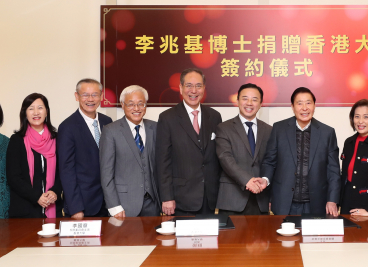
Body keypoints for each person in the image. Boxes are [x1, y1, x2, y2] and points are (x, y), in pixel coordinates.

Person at [261, 87, 340, 216]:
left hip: (316, 203)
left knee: (313, 236)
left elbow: (333, 170)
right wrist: (265, 182)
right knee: (283, 236)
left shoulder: (327, 133)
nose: (304, 108)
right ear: (292, 106)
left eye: (308, 103)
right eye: (299, 103)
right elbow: (270, 162)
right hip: (284, 201)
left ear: (314, 106)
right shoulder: (279, 129)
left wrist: (332, 199)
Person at [156, 68, 223, 216]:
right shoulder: (167, 118)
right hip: (181, 199)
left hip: (209, 197)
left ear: (204, 89)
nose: (194, 90)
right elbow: (162, 162)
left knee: (209, 238)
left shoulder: (214, 116)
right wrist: (167, 197)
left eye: (198, 86)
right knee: (182, 239)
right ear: (180, 88)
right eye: (189, 85)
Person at [100, 85, 160, 217]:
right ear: (122, 105)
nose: (137, 108)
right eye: (131, 104)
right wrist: (114, 206)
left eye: (140, 104)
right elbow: (106, 173)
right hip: (123, 205)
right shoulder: (111, 131)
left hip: (153, 204)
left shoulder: (155, 127)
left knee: (153, 238)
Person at [58, 79, 113, 219]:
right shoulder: (67, 127)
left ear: (101, 96)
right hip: (83, 205)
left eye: (95, 94)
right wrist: (75, 208)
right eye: (85, 95)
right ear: (76, 96)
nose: (90, 99)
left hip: (108, 204)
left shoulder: (107, 122)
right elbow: (66, 170)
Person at [215, 84, 273, 215]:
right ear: (238, 101)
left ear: (260, 103)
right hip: (232, 200)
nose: (249, 103)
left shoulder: (269, 130)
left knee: (262, 236)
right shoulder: (224, 128)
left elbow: (271, 161)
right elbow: (225, 159)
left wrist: (266, 180)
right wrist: (247, 180)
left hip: (261, 200)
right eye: (245, 98)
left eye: (254, 99)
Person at [7, 93, 63, 218]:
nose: (36, 112)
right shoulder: (17, 140)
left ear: (47, 112)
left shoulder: (57, 139)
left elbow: (63, 172)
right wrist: (36, 196)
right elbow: (13, 177)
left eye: (40, 108)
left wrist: (55, 191)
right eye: (31, 108)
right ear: (25, 113)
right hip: (25, 211)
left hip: (54, 209)